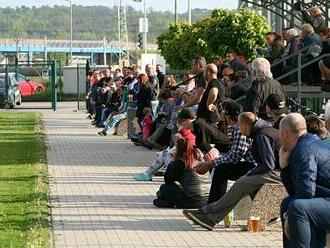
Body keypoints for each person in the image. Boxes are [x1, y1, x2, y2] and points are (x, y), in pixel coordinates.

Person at [182, 112, 282, 231]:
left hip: (279, 173)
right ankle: (210, 217)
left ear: (245, 125)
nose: (239, 129)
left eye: (239, 126)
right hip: (276, 171)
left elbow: (268, 164)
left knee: (241, 183)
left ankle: (208, 213)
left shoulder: (261, 135)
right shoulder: (263, 130)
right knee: (242, 183)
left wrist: (251, 174)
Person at [279, 113, 330, 248]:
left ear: (285, 134)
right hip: (325, 199)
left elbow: (306, 191)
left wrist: (290, 216)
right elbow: (296, 192)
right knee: (288, 204)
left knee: (297, 208)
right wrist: (284, 167)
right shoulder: (312, 141)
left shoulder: (303, 151)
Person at [195, 101, 257, 204]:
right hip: (254, 164)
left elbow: (235, 156)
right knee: (221, 166)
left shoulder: (239, 129)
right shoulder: (236, 128)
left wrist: (211, 163)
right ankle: (215, 204)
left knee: (221, 169)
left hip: (253, 166)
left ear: (227, 115)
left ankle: (214, 205)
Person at [153, 137, 210, 208]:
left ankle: (168, 201)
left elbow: (168, 180)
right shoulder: (201, 160)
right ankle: (167, 201)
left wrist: (172, 163)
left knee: (164, 188)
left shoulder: (181, 162)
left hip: (193, 200)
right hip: (206, 199)